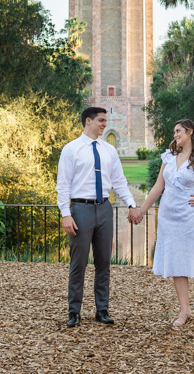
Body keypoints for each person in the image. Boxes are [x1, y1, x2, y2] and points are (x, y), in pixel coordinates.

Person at [130, 119, 194, 327]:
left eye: (178, 131)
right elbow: (158, 187)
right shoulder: (168, 157)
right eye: (174, 131)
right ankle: (185, 311)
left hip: (190, 218)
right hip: (168, 217)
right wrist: (142, 210)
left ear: (190, 132)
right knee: (177, 264)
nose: (175, 135)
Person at [56, 106, 138, 328]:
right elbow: (63, 185)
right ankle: (74, 312)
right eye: (101, 120)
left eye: (105, 120)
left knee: (104, 264)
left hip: (104, 209)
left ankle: (102, 310)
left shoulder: (108, 150)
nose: (104, 124)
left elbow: (119, 181)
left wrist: (131, 203)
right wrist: (65, 214)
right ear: (88, 121)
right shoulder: (71, 149)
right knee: (78, 264)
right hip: (80, 209)